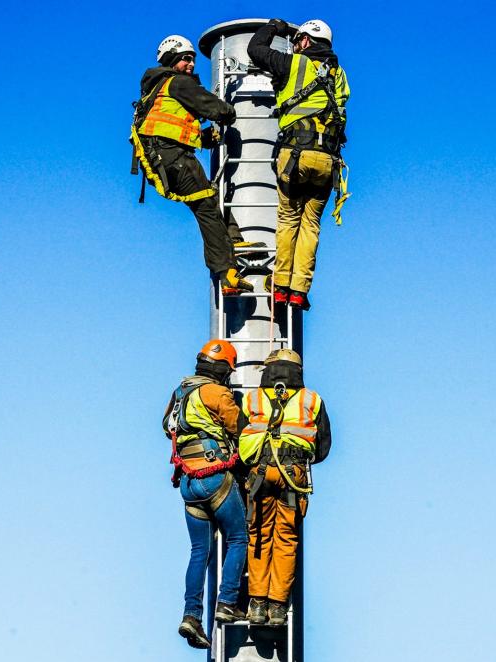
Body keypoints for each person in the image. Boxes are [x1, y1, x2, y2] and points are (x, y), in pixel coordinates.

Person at [132, 35, 254, 295]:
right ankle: (227, 272)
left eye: (193, 60)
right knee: (207, 208)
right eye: (186, 58)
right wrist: (230, 111)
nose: (191, 64)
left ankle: (232, 240)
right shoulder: (177, 83)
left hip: (167, 159)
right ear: (172, 60)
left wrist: (205, 138)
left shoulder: (159, 90)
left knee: (209, 198)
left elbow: (171, 128)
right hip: (175, 159)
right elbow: (217, 110)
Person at [248, 19, 350, 311]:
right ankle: (299, 291)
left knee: (289, 219)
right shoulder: (339, 74)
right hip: (327, 160)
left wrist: (274, 28)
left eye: (297, 41)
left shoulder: (292, 64)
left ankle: (280, 287)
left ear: (305, 41)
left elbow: (256, 49)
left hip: (295, 155)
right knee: (311, 226)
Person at [163, 339, 248, 649]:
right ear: (224, 369)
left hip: (188, 483)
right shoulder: (216, 392)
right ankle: (227, 603)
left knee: (200, 551)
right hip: (215, 477)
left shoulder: (180, 392)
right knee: (238, 538)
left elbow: (166, 427)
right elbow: (239, 427)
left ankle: (191, 615)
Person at [237, 349, 331, 626]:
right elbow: (323, 447)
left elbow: (242, 436)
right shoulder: (311, 399)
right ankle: (277, 607)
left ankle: (256, 603)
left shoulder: (253, 398)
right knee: (286, 540)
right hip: (293, 475)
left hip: (260, 474)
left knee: (259, 536)